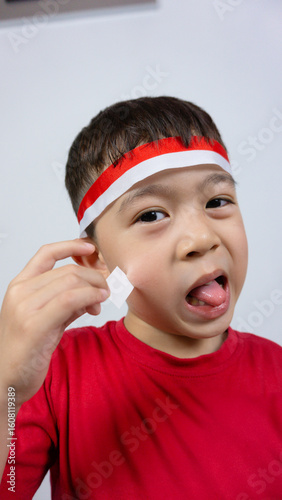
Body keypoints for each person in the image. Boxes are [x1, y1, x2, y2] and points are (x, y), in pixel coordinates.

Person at [0, 96, 282, 500]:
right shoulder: (49, 374)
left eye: (217, 202)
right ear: (97, 260)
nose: (202, 239)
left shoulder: (277, 373)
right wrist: (5, 389)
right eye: (151, 215)